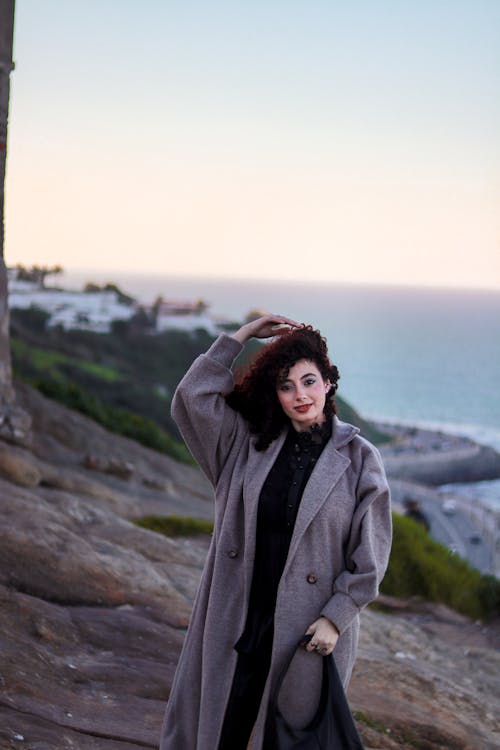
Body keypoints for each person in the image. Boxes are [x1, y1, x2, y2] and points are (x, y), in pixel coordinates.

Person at [159, 314, 392, 750]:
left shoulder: (361, 458)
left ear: (328, 383)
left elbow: (371, 553)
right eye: (287, 386)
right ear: (277, 396)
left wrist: (336, 617)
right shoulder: (247, 444)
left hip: (307, 626)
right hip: (239, 614)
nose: (300, 395)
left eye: (309, 381)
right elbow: (192, 397)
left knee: (286, 737)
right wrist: (240, 337)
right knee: (222, 727)